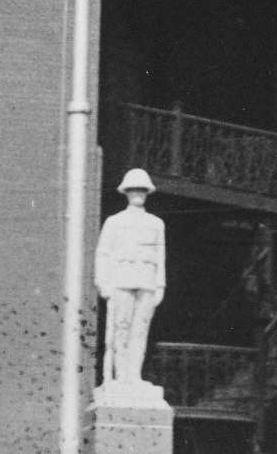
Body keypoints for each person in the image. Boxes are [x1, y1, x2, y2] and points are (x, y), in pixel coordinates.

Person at [95, 167, 167, 390]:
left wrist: (160, 284)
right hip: (122, 280)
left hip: (146, 281)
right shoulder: (114, 222)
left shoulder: (156, 224)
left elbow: (160, 256)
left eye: (142, 190)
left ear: (147, 193)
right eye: (133, 189)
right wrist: (103, 282)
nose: (138, 193)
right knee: (121, 328)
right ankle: (121, 376)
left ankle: (134, 375)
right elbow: (103, 253)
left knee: (140, 330)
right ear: (125, 192)